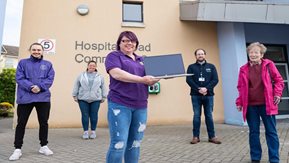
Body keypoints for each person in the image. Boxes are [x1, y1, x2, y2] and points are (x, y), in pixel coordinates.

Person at [104, 31, 159, 163]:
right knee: (119, 143)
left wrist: (163, 75)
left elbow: (153, 76)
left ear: (136, 44)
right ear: (119, 43)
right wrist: (142, 79)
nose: (129, 43)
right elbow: (117, 74)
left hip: (140, 106)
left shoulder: (143, 60)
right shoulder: (114, 56)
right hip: (119, 104)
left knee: (135, 144)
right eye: (125, 41)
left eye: (132, 41)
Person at [236, 42, 284, 163]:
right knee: (253, 132)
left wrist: (277, 93)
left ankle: (274, 159)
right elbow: (241, 87)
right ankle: (255, 158)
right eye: (251, 52)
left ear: (261, 54)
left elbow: (279, 80)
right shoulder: (243, 69)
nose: (253, 54)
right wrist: (239, 101)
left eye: (256, 52)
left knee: (271, 132)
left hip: (267, 104)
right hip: (251, 106)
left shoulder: (269, 65)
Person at [9, 43, 55, 161]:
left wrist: (39, 87)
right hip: (25, 98)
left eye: (39, 50)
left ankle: (43, 146)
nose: (36, 51)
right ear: (30, 50)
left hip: (43, 98)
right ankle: (17, 149)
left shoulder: (48, 64)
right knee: (21, 123)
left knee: (43, 123)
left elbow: (50, 79)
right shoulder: (23, 63)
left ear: (42, 51)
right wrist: (31, 87)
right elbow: (19, 78)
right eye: (34, 49)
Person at [186, 48, 221, 144]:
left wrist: (206, 89)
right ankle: (195, 137)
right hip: (195, 95)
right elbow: (189, 80)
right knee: (196, 116)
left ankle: (212, 137)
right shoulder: (191, 67)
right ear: (195, 56)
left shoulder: (211, 66)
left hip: (209, 95)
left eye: (202, 54)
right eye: (198, 54)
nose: (200, 55)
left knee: (209, 116)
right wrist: (199, 89)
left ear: (205, 55)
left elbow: (215, 79)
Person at [72, 60, 107, 139]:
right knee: (85, 115)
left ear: (96, 67)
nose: (92, 67)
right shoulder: (81, 75)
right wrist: (74, 95)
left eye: (94, 66)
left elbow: (103, 86)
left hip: (96, 99)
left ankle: (93, 132)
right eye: (90, 65)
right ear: (87, 66)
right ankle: (85, 132)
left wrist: (104, 96)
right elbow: (76, 85)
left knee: (94, 115)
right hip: (83, 98)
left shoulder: (100, 76)